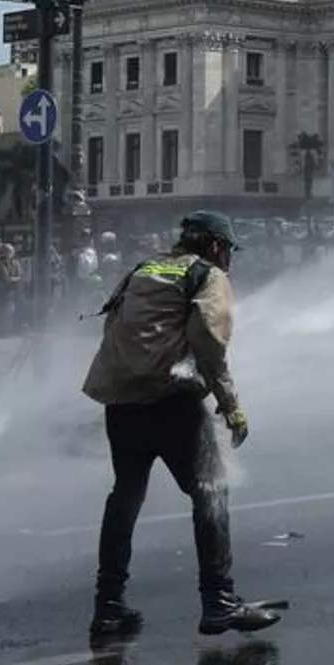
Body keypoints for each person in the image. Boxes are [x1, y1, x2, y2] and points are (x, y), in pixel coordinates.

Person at [81, 210, 280, 639]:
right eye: (227, 249)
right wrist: (232, 406)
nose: (229, 259)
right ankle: (219, 602)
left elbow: (113, 325)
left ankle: (109, 608)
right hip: (170, 399)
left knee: (126, 495)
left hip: (120, 400)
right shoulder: (206, 276)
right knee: (211, 492)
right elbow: (209, 345)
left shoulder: (145, 268)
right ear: (213, 245)